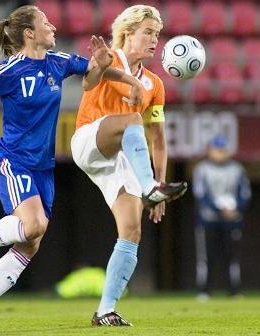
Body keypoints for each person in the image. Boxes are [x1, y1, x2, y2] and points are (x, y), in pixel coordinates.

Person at [0, 5, 145, 329]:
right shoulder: (11, 71)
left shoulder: (58, 62)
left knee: (29, 244)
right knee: (33, 227)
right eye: (45, 23)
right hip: (13, 162)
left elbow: (91, 75)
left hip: (42, 169)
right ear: (29, 33)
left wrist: (119, 73)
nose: (53, 27)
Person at [71, 5, 188, 327]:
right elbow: (88, 81)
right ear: (128, 32)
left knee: (131, 231)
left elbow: (159, 140)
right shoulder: (111, 56)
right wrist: (99, 66)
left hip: (120, 158)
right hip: (88, 140)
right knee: (132, 119)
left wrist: (161, 186)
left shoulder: (154, 84)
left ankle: (105, 311)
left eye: (157, 34)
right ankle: (150, 186)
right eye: (148, 32)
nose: (155, 40)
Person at [192, 134, 251, 301]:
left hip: (232, 220)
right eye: (216, 149)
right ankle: (204, 291)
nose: (220, 153)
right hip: (208, 220)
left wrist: (236, 209)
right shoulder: (202, 169)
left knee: (231, 257)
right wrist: (219, 209)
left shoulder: (237, 169)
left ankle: (233, 290)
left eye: (223, 150)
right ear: (210, 150)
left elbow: (244, 193)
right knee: (207, 257)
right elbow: (200, 194)